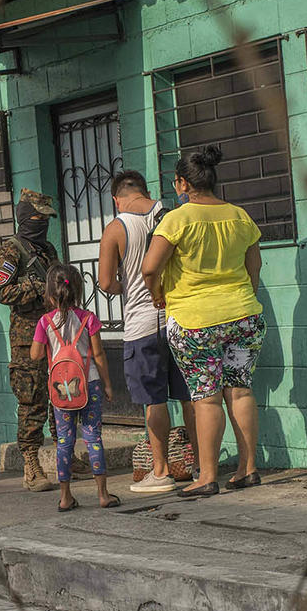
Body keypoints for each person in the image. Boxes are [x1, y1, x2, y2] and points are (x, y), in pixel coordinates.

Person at [141, 145, 264, 499]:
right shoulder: (240, 216)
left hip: (197, 322)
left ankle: (207, 476)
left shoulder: (176, 219)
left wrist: (157, 293)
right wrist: (243, 297)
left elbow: (150, 267)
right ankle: (248, 469)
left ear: (182, 184)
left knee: (206, 398)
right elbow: (253, 268)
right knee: (240, 389)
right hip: (243, 316)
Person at [97, 169, 197, 494]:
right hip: (180, 318)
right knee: (189, 397)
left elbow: (105, 282)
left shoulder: (115, 228)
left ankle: (161, 471)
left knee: (154, 401)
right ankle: (200, 467)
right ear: (144, 190)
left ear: (116, 198)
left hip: (143, 324)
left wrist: (128, 284)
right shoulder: (171, 214)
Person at [30, 263, 118, 513]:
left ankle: (65, 497)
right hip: (88, 384)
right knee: (93, 437)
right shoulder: (88, 318)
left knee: (65, 442)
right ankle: (102, 494)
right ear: (78, 291)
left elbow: (36, 356)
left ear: (49, 294)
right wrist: (108, 385)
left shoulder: (45, 322)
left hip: (60, 390)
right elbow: (99, 355)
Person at [0, 188, 59, 492]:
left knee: (62, 394)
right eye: (38, 218)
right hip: (27, 335)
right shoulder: (11, 251)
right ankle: (31, 464)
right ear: (25, 218)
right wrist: (36, 288)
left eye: (47, 219)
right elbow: (2, 291)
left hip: (57, 331)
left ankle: (65, 453)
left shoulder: (48, 250)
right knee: (32, 398)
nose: (43, 225)